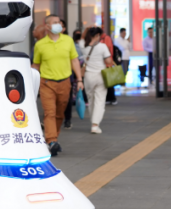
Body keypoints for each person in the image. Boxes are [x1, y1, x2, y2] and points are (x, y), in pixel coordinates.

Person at [32, 14, 83, 155]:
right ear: (47, 26)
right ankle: (52, 141)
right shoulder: (40, 45)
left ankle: (53, 139)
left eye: (59, 22)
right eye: (55, 22)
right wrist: (30, 81)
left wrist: (79, 79)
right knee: (50, 113)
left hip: (65, 82)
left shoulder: (68, 41)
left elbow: (74, 61)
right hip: (47, 83)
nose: (58, 24)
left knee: (60, 114)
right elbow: (36, 65)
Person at [82, 27, 114, 134]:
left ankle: (93, 122)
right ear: (97, 35)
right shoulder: (102, 46)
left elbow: (82, 38)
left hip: (88, 76)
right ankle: (95, 125)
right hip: (100, 75)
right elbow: (108, 60)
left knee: (91, 100)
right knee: (99, 100)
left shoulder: (83, 46)